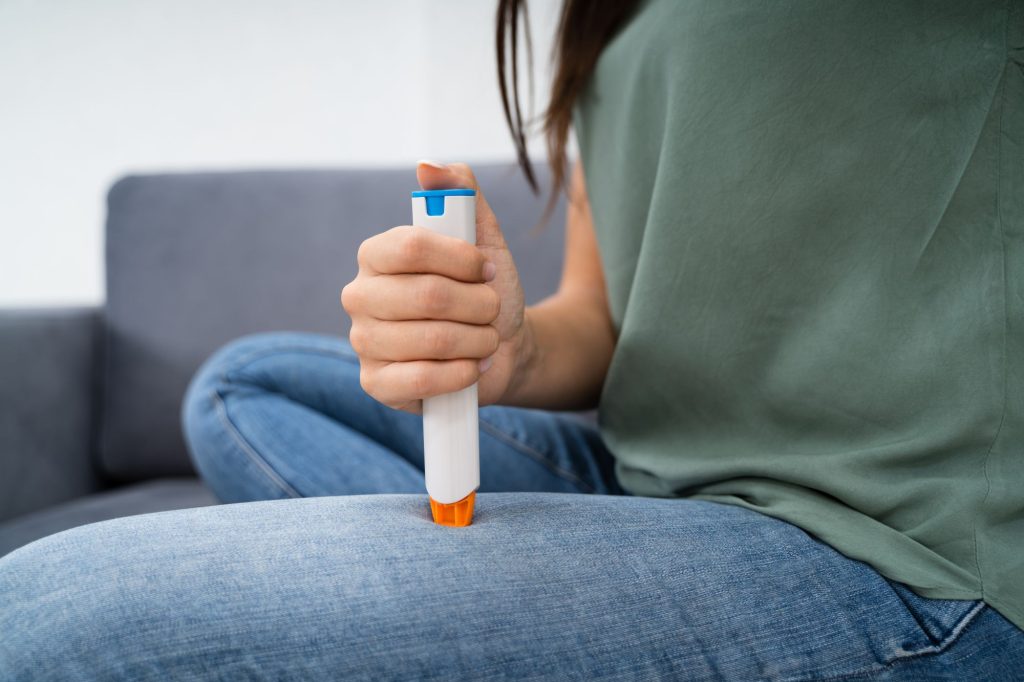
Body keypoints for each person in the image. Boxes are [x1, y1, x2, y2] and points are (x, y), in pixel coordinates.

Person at [2, 0, 1022, 678]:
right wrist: (513, 348)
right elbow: (603, 312)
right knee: (243, 384)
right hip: (652, 473)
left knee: (52, 622)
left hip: (891, 542)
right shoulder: (609, 19)